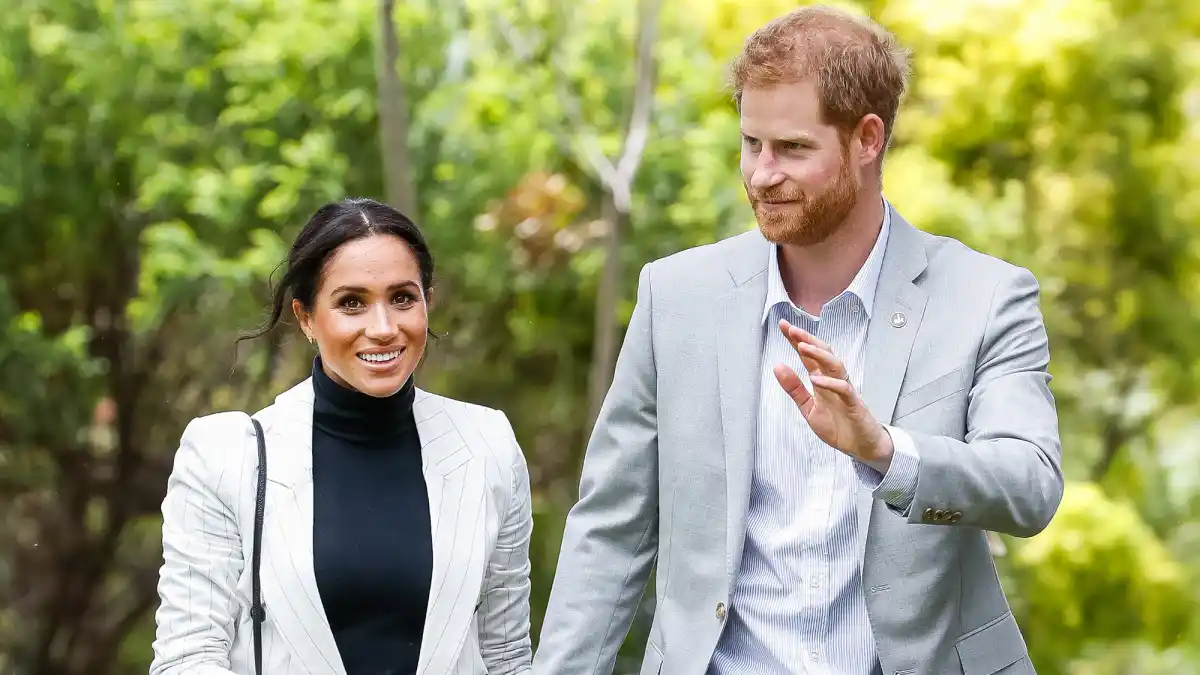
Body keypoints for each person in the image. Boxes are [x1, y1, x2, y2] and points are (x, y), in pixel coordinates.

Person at [533, 6, 1061, 675]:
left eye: (792, 148)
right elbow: (610, 531)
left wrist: (886, 451)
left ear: (867, 139)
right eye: (752, 144)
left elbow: (1030, 483)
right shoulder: (676, 297)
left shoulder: (985, 296)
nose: (761, 173)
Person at [149, 198, 533, 675]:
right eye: (352, 303)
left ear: (427, 303)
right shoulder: (225, 455)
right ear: (306, 318)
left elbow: (507, 657)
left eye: (402, 298)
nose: (383, 328)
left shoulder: (487, 445)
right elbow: (188, 657)